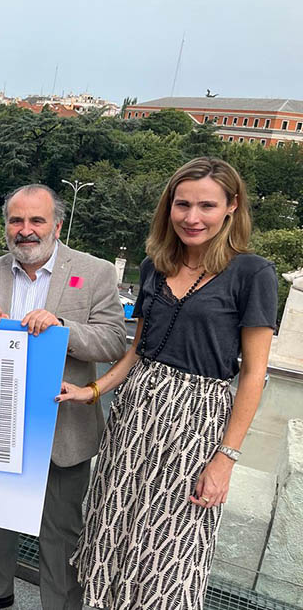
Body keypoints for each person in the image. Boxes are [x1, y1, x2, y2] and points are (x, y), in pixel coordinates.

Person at [57, 157, 277, 610]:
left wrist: (226, 459)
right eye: (182, 205)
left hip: (196, 423)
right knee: (111, 528)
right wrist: (93, 391)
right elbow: (139, 349)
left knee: (171, 549)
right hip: (135, 415)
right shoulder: (155, 265)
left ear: (231, 207)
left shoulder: (252, 273)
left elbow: (254, 373)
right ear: (168, 207)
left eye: (207, 206)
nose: (192, 218)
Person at [0, 184, 127, 610]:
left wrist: (61, 327)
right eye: (16, 221)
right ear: (6, 226)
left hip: (62, 425)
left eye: (36, 221)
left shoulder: (95, 271)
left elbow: (112, 343)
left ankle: (61, 605)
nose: (25, 230)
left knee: (61, 529)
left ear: (57, 225)